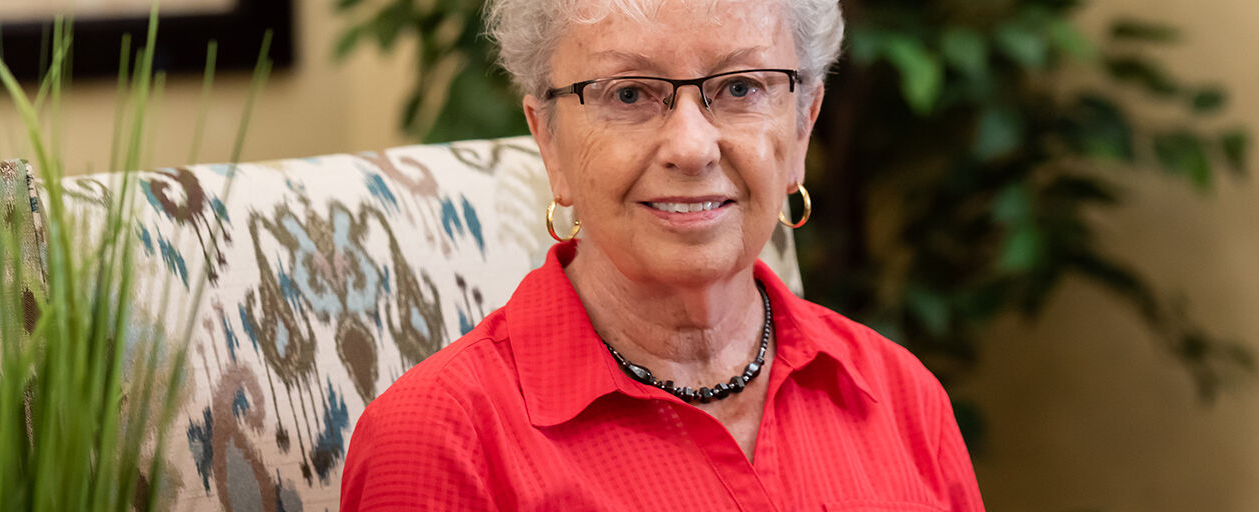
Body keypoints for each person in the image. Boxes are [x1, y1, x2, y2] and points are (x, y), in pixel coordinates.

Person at [339, 0, 983, 509]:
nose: (692, 147)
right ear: (550, 142)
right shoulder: (441, 439)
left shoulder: (898, 394)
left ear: (802, 127)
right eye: (628, 93)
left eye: (739, 88)